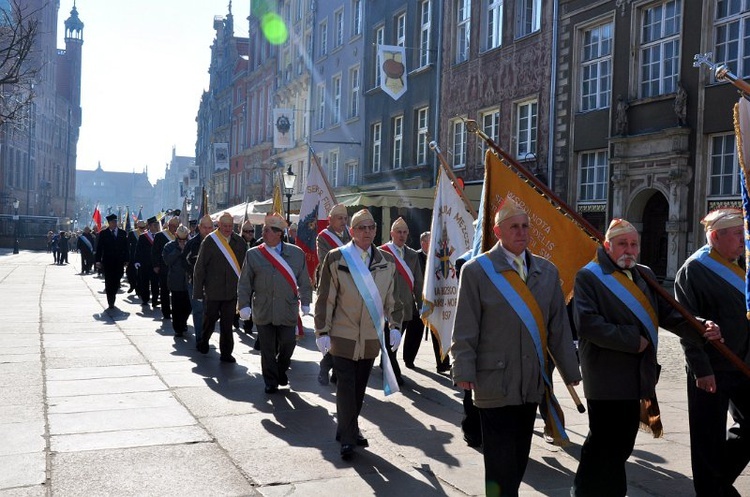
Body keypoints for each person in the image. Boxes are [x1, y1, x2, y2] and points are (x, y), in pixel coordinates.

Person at [571, 218, 722, 497]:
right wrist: (632, 340)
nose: (628, 250)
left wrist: (702, 327)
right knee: (604, 442)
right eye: (622, 244)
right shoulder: (589, 276)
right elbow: (588, 324)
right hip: (605, 376)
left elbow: (671, 314)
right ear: (607, 246)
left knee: (623, 442)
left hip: (638, 375)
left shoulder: (645, 274)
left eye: (633, 244)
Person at [452, 198, 581, 497]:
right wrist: (463, 369)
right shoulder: (477, 271)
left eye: (525, 226)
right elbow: (465, 327)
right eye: (514, 227)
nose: (521, 232)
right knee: (499, 459)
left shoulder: (547, 272)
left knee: (520, 453)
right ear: (497, 232)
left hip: (531, 380)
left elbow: (559, 327)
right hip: (492, 379)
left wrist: (570, 369)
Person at [314, 208, 403, 461]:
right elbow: (325, 299)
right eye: (361, 228)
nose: (367, 232)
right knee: (345, 387)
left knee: (359, 389)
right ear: (351, 231)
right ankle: (348, 439)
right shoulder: (336, 258)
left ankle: (348, 428)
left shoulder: (387, 261)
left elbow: (392, 299)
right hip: (343, 335)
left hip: (371, 338)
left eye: (371, 227)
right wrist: (322, 331)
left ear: (376, 231)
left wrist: (395, 326)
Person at [675, 208, 750, 497]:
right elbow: (686, 323)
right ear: (716, 236)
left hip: (742, 364)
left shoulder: (740, 263)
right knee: (707, 435)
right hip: (711, 367)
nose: (743, 240)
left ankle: (717, 482)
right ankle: (712, 490)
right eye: (736, 234)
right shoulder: (694, 270)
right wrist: (701, 369)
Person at [237, 213, 312, 393]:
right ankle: (270, 381)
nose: (264, 233)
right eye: (263, 230)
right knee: (267, 349)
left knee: (288, 344)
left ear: (279, 233)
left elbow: (304, 280)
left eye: (268, 230)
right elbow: (245, 281)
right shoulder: (254, 254)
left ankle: (280, 370)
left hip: (287, 308)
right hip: (263, 308)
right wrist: (244, 304)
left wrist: (307, 301)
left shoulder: (296, 253)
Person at [193, 211, 247, 362]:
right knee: (210, 319)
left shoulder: (239, 242)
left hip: (231, 291)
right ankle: (204, 341)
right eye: (225, 226)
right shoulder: (210, 241)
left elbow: (246, 267)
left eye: (230, 226)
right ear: (219, 225)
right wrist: (198, 292)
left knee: (227, 324)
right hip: (213, 290)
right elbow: (200, 268)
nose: (228, 229)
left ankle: (226, 353)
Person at [380, 217, 423, 386]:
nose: (402, 235)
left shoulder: (412, 255)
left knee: (394, 342)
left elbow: (418, 281)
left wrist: (421, 305)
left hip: (405, 307)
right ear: (392, 233)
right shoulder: (381, 252)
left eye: (405, 232)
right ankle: (395, 375)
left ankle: (387, 364)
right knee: (390, 342)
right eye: (399, 232)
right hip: (386, 307)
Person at [315, 203, 351, 385]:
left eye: (345, 218)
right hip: (330, 287)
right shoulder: (323, 237)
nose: (344, 222)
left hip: (350, 290)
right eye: (340, 218)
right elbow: (325, 261)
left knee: (343, 332)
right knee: (332, 330)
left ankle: (333, 371)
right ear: (330, 219)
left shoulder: (351, 236)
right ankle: (325, 366)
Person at [413, 230, 451, 372]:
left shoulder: (438, 256)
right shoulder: (415, 256)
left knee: (438, 331)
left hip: (437, 299)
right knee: (415, 332)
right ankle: (408, 359)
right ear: (423, 243)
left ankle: (442, 363)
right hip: (420, 299)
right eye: (431, 241)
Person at [183, 215, 213, 348]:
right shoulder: (192, 243)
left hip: (212, 284)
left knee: (210, 312)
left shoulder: (217, 242)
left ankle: (206, 336)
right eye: (205, 227)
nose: (207, 230)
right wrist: (195, 274)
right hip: (195, 283)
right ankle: (200, 339)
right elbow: (184, 261)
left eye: (210, 228)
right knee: (198, 310)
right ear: (199, 228)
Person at [94, 213, 129, 311]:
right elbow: (99, 248)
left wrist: (127, 259)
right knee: (109, 281)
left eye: (115, 221)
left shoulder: (122, 233)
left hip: (119, 261)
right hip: (107, 262)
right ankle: (111, 301)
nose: (115, 223)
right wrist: (97, 261)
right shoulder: (103, 233)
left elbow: (126, 247)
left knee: (117, 279)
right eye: (113, 222)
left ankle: (113, 293)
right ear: (109, 223)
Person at [163, 225, 192, 337]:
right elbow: (167, 260)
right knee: (176, 307)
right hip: (176, 281)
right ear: (176, 236)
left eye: (184, 240)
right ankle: (178, 329)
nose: (183, 242)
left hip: (189, 280)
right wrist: (178, 250)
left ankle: (183, 321)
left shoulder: (191, 245)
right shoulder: (169, 246)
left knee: (188, 306)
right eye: (180, 240)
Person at [152, 216, 179, 320]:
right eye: (173, 226)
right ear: (169, 226)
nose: (175, 228)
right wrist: (155, 265)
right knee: (164, 290)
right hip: (164, 268)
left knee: (177, 291)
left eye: (176, 226)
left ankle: (175, 310)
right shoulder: (160, 236)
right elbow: (155, 252)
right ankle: (166, 311)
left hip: (177, 269)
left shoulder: (181, 235)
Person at [135, 217, 160, 309]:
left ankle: (155, 299)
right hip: (144, 264)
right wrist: (137, 261)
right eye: (154, 225)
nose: (156, 226)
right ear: (149, 226)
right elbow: (138, 250)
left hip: (155, 264)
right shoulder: (143, 236)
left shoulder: (159, 236)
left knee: (155, 283)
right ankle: (145, 299)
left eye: (157, 224)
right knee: (144, 282)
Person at [126, 221, 145, 293]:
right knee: (129, 272)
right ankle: (132, 285)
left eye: (143, 227)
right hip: (133, 256)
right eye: (141, 227)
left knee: (140, 274)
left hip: (142, 257)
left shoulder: (146, 235)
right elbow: (127, 245)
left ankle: (138, 289)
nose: (142, 229)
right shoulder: (132, 233)